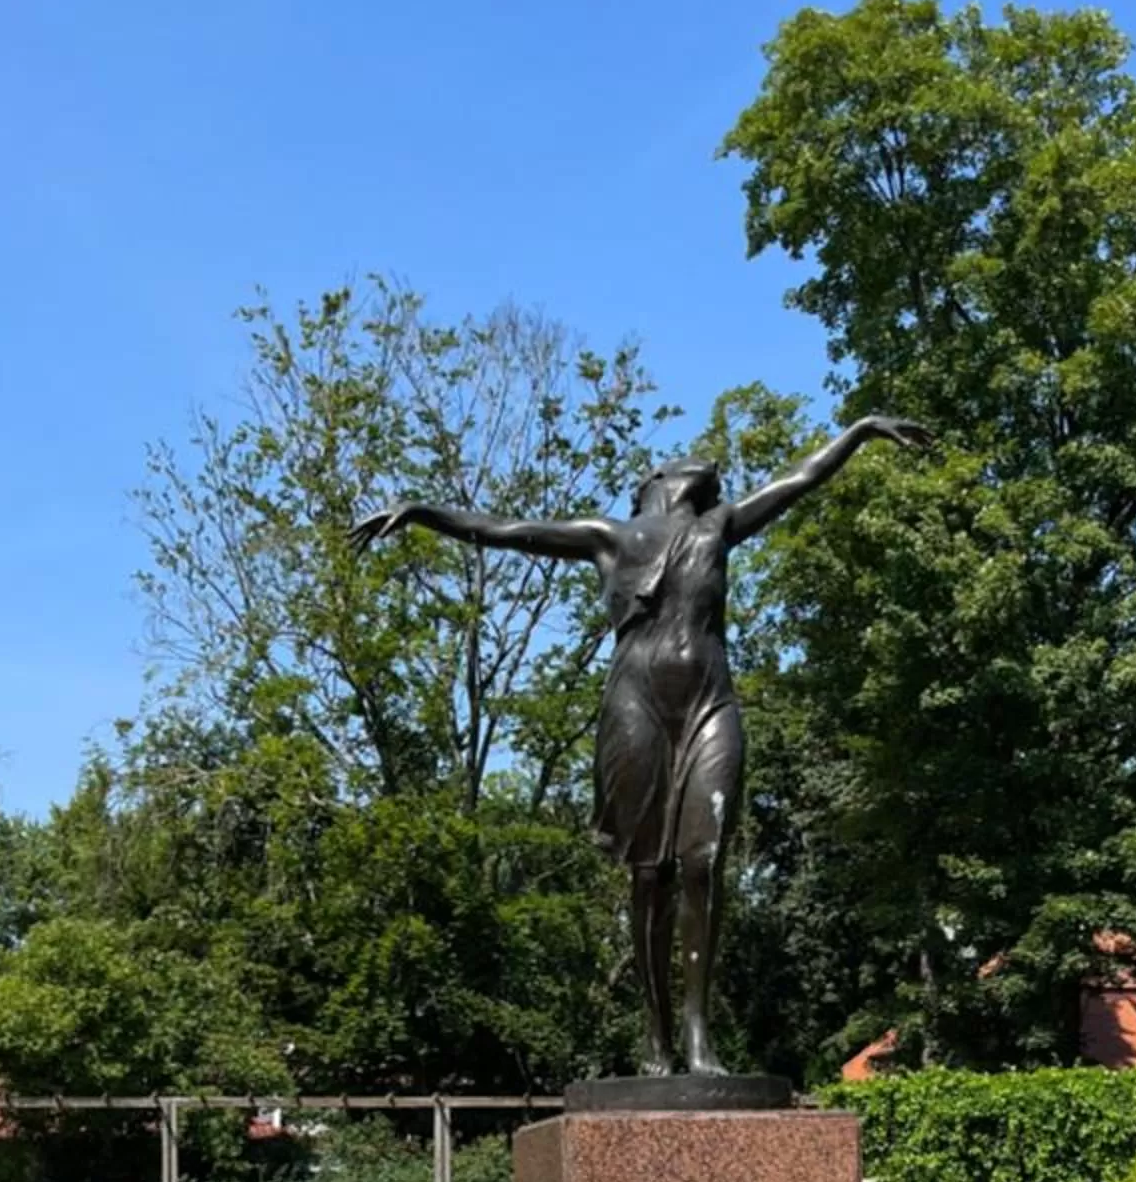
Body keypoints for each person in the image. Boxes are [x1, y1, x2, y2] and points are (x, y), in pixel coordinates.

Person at [351, 415, 930, 1076]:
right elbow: (504, 531)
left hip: (710, 703)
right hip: (637, 705)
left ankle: (697, 1036)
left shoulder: (722, 527)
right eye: (690, 459)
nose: (708, 464)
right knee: (649, 873)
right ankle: (654, 1039)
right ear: (657, 481)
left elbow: (802, 478)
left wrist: (860, 430)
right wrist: (421, 510)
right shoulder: (610, 537)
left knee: (704, 860)